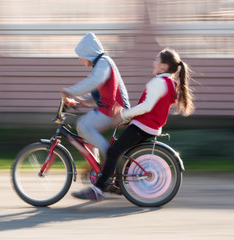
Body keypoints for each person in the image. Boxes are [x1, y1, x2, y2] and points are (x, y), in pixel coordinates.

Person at [72, 48, 195, 201]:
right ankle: (117, 184)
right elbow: (155, 108)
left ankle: (98, 189)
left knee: (113, 152)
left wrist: (123, 115)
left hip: (142, 126)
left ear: (164, 66)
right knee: (121, 151)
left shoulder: (158, 82)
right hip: (151, 127)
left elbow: (147, 107)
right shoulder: (170, 83)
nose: (154, 62)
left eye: (157, 59)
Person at [61, 32, 130, 160]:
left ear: (89, 53)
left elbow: (94, 81)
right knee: (86, 131)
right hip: (111, 109)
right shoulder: (101, 64)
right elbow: (100, 91)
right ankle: (96, 168)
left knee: (83, 125)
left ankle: (112, 158)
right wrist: (80, 101)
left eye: (81, 55)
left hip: (115, 110)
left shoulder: (103, 62)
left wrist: (71, 91)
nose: (80, 59)